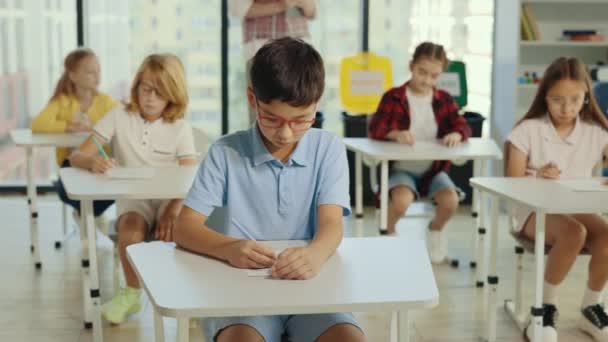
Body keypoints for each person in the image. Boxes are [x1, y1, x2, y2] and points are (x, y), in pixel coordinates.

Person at [174, 37, 365, 342]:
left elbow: (332, 224)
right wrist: (229, 248)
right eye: (272, 119)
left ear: (317, 102)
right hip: (244, 291)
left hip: (312, 287)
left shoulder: (328, 148)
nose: (286, 132)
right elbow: (184, 228)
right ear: (253, 100)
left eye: (302, 119)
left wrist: (314, 255)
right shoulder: (225, 152)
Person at [69, 54, 197, 324]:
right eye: (145, 88)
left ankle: (182, 292)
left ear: (172, 96)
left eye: (159, 93)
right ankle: (131, 293)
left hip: (170, 198)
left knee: (177, 231)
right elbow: (76, 157)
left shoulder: (180, 127)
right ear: (137, 86)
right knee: (129, 230)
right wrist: (93, 161)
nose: (150, 97)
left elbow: (189, 178)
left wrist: (172, 210)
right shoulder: (118, 115)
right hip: (133, 199)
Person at [506, 57, 608, 342]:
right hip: (531, 210)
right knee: (574, 232)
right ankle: (543, 309)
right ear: (545, 97)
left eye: (576, 99)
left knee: (606, 235)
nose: (567, 108)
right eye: (558, 100)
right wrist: (538, 175)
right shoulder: (527, 130)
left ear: (587, 97)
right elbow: (511, 184)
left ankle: (592, 306)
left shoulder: (596, 131)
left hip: (576, 206)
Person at [368, 41, 471, 264]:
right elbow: (375, 128)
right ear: (411, 66)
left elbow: (463, 125)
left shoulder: (444, 99)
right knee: (401, 202)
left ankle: (435, 231)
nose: (426, 80)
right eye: (421, 72)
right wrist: (395, 133)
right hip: (402, 168)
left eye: (434, 76)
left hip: (433, 169)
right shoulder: (394, 96)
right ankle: (388, 234)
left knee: (451, 201)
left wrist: (456, 134)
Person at [31, 48, 117, 226]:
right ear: (73, 75)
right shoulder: (62, 101)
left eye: (98, 70)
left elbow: (123, 118)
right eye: (90, 71)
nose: (97, 76)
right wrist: (70, 126)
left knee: (104, 195)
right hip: (71, 165)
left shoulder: (106, 102)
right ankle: (88, 219)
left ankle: (89, 219)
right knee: (76, 194)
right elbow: (38, 124)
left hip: (102, 164)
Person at [229, 0, 316, 124]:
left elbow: (313, 10)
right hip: (260, 49)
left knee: (300, 116)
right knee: (263, 118)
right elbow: (239, 9)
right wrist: (282, 5)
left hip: (300, 51)